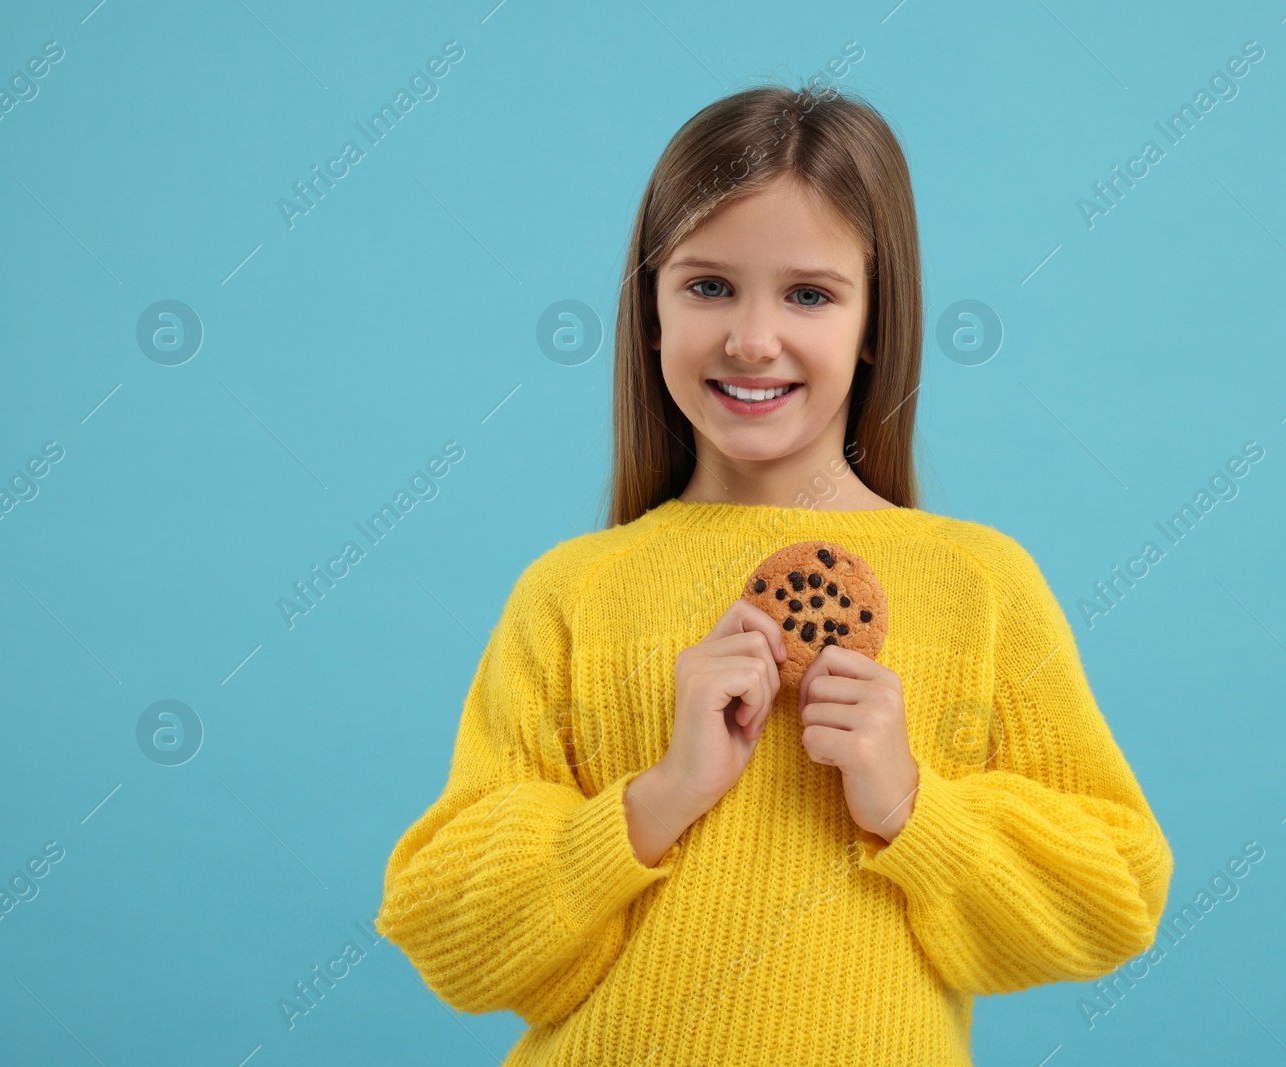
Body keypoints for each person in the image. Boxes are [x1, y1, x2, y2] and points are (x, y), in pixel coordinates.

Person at [374, 81, 1173, 1067]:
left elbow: (1117, 893)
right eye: (707, 285)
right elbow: (446, 926)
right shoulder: (571, 590)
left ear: (876, 317)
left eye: (808, 293)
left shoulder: (981, 584)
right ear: (651, 310)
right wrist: (660, 796)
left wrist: (912, 803)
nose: (752, 337)